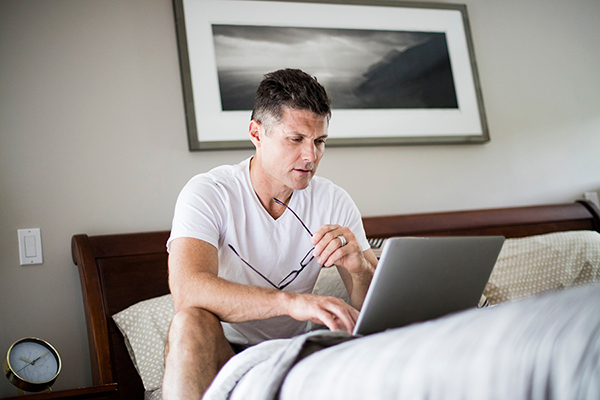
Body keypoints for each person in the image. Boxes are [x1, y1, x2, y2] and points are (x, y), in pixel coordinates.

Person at [163, 68, 378, 399]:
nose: (311, 156)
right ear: (256, 133)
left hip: (298, 354)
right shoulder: (209, 193)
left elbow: (375, 315)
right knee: (189, 322)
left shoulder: (334, 200)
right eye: (296, 139)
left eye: (319, 141)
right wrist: (291, 303)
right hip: (223, 351)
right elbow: (187, 290)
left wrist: (359, 270)